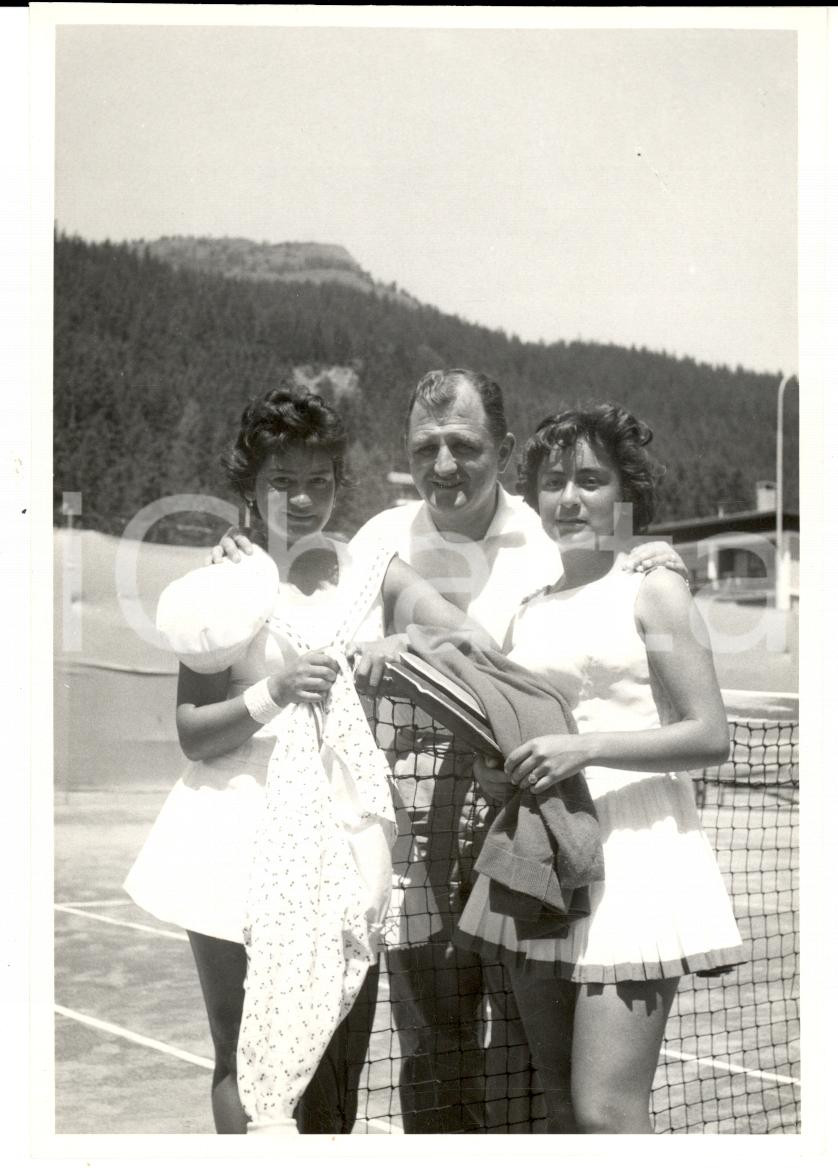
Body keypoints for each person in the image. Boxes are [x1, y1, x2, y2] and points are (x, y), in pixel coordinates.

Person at [214, 369, 689, 1133]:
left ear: (502, 450)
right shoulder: (378, 539)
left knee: (537, 1058)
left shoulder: (548, 535)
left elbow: (613, 578)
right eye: (425, 446)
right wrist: (240, 540)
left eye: (463, 445)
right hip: (405, 838)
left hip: (526, 828)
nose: (443, 465)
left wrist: (650, 551)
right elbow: (296, 578)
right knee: (436, 1044)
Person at [124, 387, 495, 1136]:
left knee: (334, 1062)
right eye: (282, 481)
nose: (302, 497)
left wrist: (404, 644)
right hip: (231, 842)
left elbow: (468, 640)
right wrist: (274, 690)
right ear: (250, 489)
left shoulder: (373, 572)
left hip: (345, 839)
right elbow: (195, 733)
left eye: (319, 480)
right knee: (244, 1061)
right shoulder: (224, 584)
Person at [455, 403, 745, 1134]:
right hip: (543, 851)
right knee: (556, 1101)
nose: (570, 498)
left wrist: (585, 749)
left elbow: (711, 735)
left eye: (591, 480)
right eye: (554, 482)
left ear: (626, 493)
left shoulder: (654, 585)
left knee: (607, 1110)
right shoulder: (526, 606)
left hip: (636, 851)